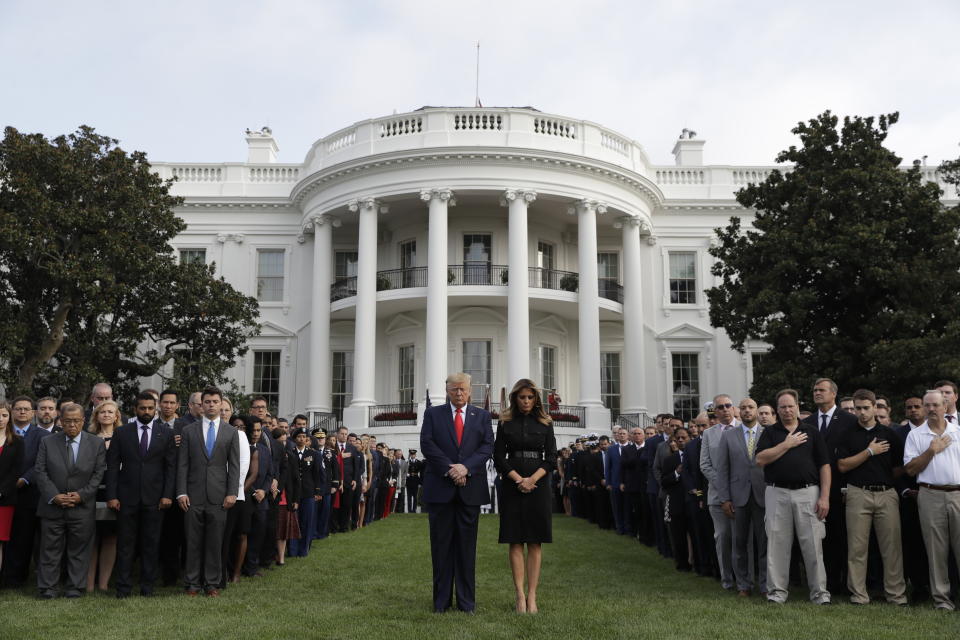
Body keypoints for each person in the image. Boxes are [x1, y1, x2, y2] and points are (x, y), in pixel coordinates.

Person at [420, 372, 494, 614]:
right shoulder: (433, 413)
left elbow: (487, 446)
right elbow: (427, 444)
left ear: (470, 390)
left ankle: (466, 603)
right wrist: (450, 469)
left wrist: (466, 467)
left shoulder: (481, 416)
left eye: (463, 389)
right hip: (441, 489)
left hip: (470, 490)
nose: (459, 393)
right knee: (440, 548)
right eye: (454, 390)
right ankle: (441, 602)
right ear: (447, 390)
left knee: (466, 549)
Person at [756, 389, 832, 605]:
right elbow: (760, 459)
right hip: (776, 492)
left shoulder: (812, 432)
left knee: (813, 546)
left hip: (808, 493)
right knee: (777, 545)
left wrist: (824, 497)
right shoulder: (770, 433)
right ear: (777, 410)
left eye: (790, 406)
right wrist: (786, 445)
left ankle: (820, 594)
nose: (787, 410)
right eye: (782, 407)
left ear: (798, 407)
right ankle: (777, 594)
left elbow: (824, 465)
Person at [836, 389, 906, 605]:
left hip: (886, 494)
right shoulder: (848, 434)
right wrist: (869, 452)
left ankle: (896, 595)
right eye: (858, 408)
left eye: (866, 408)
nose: (862, 412)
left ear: (876, 407)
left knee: (892, 548)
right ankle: (859, 594)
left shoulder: (890, 434)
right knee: (857, 548)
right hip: (858, 493)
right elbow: (842, 465)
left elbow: (898, 468)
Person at [493, 378, 558, 614]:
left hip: (538, 484)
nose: (526, 401)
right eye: (522, 397)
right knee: (515, 539)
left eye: (530, 397)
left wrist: (532, 479)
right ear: (515, 398)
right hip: (512, 484)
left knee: (535, 540)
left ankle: (532, 596)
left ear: (536, 399)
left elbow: (551, 457)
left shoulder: (545, 422)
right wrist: (519, 479)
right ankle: (519, 595)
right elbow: (498, 456)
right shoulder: (505, 422)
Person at [105, 391, 176, 598]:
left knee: (151, 544)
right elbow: (111, 466)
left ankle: (147, 588)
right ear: (135, 410)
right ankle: (123, 588)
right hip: (126, 498)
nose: (146, 411)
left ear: (156, 410)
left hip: (155, 500)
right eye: (142, 408)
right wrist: (112, 495)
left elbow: (170, 468)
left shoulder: (166, 433)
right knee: (125, 544)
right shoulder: (122, 432)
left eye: (150, 408)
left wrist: (167, 495)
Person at [34, 402, 107, 598]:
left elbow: (98, 474)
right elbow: (40, 472)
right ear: (61, 421)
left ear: (83, 421)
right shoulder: (47, 442)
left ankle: (75, 587)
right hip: (52, 506)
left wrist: (81, 495)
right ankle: (48, 588)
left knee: (79, 550)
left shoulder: (96, 444)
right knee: (50, 549)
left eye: (76, 421)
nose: (72, 425)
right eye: (67, 421)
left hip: (81, 508)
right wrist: (54, 496)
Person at [176, 386, 240, 597]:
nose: (211, 405)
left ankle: (212, 584)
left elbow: (235, 466)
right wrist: (181, 492)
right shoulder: (188, 431)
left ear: (221, 404)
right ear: (201, 404)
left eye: (215, 402)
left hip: (219, 495)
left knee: (214, 541)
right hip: (192, 495)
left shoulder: (231, 432)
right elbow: (182, 464)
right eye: (207, 402)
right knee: (192, 541)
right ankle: (192, 584)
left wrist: (232, 492)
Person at [903, 389, 960, 611]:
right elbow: (910, 469)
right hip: (930, 494)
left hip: (958, 494)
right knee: (936, 550)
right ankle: (942, 600)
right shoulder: (916, 435)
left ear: (946, 407)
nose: (931, 409)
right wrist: (931, 451)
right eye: (927, 405)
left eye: (936, 405)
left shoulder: (958, 431)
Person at [802, 377, 857, 596]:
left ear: (833, 393)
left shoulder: (848, 419)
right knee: (823, 540)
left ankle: (847, 583)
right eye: (815, 390)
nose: (817, 393)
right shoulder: (808, 422)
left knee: (844, 538)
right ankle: (829, 583)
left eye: (821, 390)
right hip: (815, 488)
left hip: (842, 488)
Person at [714, 397, 767, 597]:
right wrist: (725, 498)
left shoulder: (768, 434)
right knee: (739, 543)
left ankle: (765, 585)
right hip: (738, 498)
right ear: (738, 411)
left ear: (757, 410)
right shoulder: (729, 436)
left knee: (765, 543)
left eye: (751, 407)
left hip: (763, 495)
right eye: (743, 408)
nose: (747, 411)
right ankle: (744, 585)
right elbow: (722, 470)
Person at [1, 396, 52, 588]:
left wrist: (25, 479)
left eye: (26, 409)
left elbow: (41, 462)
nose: (22, 412)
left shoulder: (42, 436)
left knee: (22, 538)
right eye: (18, 409)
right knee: (3, 537)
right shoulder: (4, 433)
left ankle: (15, 579)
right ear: (12, 412)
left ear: (33, 413)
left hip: (28, 494)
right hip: (3, 494)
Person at [699, 394, 738, 590]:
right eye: (720, 407)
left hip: (743, 494)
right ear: (715, 410)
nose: (724, 409)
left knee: (743, 539)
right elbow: (704, 464)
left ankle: (745, 578)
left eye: (728, 405)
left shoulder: (745, 429)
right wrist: (723, 485)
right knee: (723, 538)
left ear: (734, 408)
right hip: (717, 497)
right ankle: (727, 580)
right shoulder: (709, 434)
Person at [894, 394, 930, 603]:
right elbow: (894, 468)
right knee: (912, 543)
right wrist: (906, 491)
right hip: (908, 497)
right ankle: (919, 586)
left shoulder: (936, 432)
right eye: (909, 407)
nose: (914, 410)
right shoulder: (897, 434)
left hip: (934, 492)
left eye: (918, 406)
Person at [86, 399, 121, 593]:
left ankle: (104, 583)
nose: (106, 415)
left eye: (110, 412)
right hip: (92, 493)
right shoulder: (88, 438)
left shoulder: (123, 437)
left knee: (110, 538)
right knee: (91, 538)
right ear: (96, 416)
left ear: (117, 416)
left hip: (114, 493)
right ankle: (89, 584)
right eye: (102, 412)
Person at [288, 427, 322, 557]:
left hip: (308, 492)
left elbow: (317, 474)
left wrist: (317, 491)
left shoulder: (314, 454)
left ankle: (303, 550)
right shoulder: (290, 453)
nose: (301, 439)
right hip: (294, 493)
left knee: (307, 521)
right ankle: (292, 550)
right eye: (299, 437)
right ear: (294, 438)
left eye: (304, 437)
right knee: (294, 521)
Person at [0, 403, 24, 574]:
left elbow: (16, 470)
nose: (0, 419)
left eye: (4, 415)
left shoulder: (17, 441)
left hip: (4, 499)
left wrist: (2, 491)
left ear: (9, 417)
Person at [333, 426, 362, 533]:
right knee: (335, 506)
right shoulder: (332, 446)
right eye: (342, 434)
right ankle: (334, 527)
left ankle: (344, 527)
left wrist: (355, 479)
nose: (344, 436)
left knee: (346, 505)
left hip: (349, 481)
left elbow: (356, 465)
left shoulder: (352, 448)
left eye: (346, 434)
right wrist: (340, 456)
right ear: (337, 434)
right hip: (335, 480)